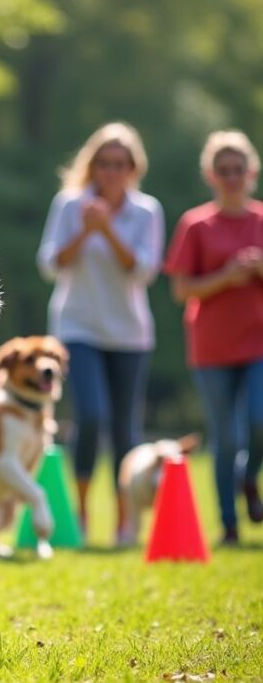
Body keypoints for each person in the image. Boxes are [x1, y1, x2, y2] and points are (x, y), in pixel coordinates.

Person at [37, 122, 165, 544]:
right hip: (77, 328)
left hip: (129, 333)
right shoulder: (69, 204)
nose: (111, 172)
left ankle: (126, 521)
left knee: (126, 429)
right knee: (91, 416)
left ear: (133, 168)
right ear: (92, 166)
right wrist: (85, 231)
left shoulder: (147, 211)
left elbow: (142, 271)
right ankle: (82, 510)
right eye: (103, 164)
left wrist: (107, 229)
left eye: (119, 164)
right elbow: (50, 264)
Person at [164, 130, 263, 546]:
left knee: (259, 422)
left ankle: (247, 476)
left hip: (258, 341)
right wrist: (227, 276)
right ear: (211, 175)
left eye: (238, 169)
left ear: (251, 172)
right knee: (225, 438)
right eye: (223, 171)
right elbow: (181, 289)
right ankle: (228, 524)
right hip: (212, 346)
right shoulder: (196, 224)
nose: (232, 177)